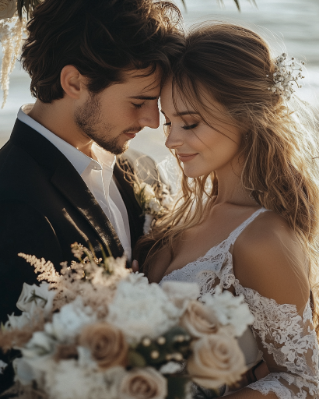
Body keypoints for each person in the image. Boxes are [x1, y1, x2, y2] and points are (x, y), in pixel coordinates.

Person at [0, 0, 183, 391]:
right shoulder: (12, 201)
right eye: (138, 102)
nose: (153, 121)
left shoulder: (140, 169)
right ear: (74, 83)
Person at [136, 24, 319, 398]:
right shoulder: (190, 209)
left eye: (190, 123)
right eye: (169, 122)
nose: (171, 139)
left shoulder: (262, 237)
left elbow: (304, 380)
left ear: (245, 116)